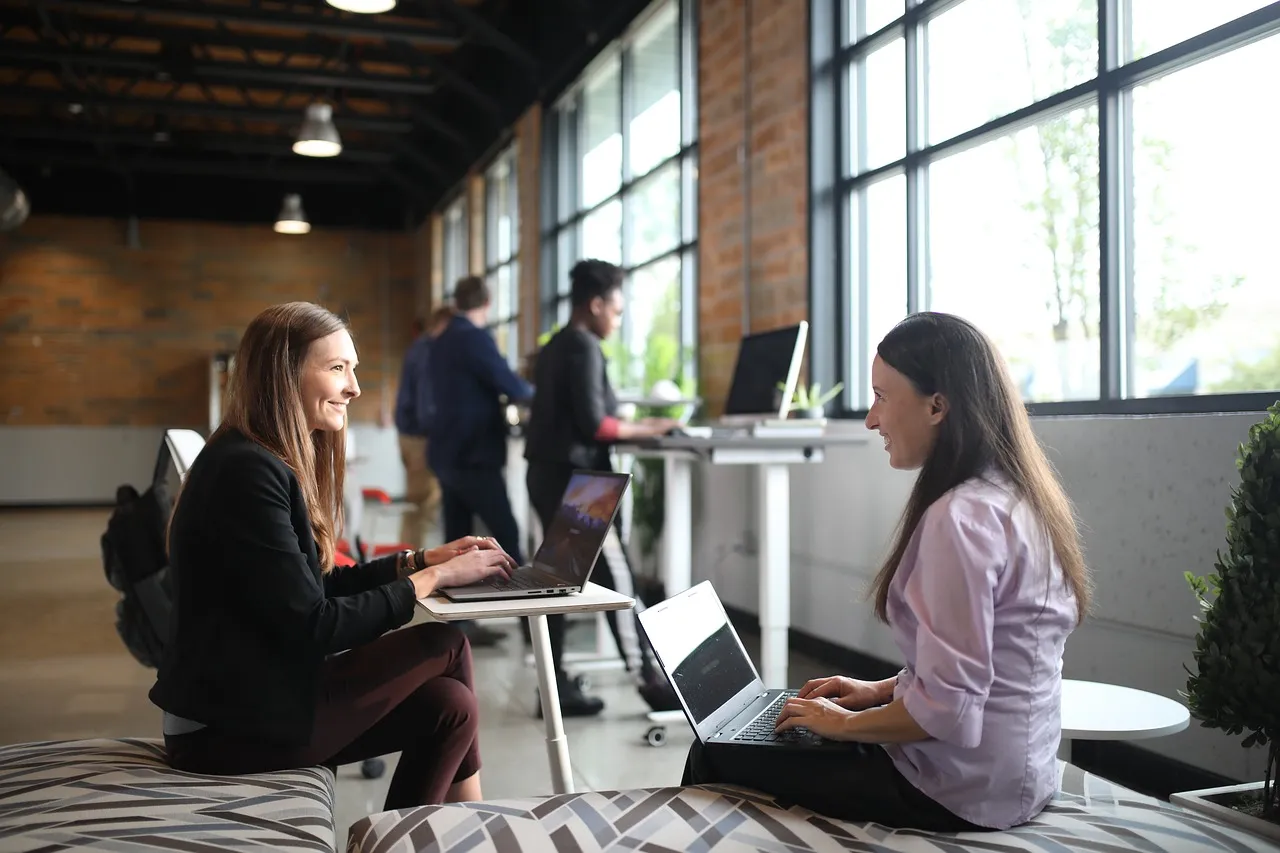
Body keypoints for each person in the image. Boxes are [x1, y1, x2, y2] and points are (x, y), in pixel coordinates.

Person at [681, 312, 1093, 831]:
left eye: (880, 397)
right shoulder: (1016, 498)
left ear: (937, 406)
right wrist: (879, 692)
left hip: (957, 789)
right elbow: (978, 666)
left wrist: (846, 726)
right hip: (1017, 774)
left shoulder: (959, 520)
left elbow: (950, 712)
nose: (872, 420)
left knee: (713, 755)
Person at [149, 301, 517, 811]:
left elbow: (314, 587)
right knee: (446, 644)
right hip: (223, 727)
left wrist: (420, 560)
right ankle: (477, 828)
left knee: (449, 706)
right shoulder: (247, 473)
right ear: (284, 375)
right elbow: (316, 625)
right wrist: (433, 581)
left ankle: (418, 842)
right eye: (337, 368)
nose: (354, 388)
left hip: (246, 699)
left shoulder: (252, 458)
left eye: (354, 369)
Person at [524, 259, 681, 717]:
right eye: (615, 309)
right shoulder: (584, 346)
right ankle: (649, 680)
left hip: (549, 474)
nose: (617, 318)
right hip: (578, 483)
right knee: (620, 578)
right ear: (594, 305)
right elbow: (597, 423)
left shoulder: (555, 346)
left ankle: (552, 689)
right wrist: (652, 426)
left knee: (555, 582)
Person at [427, 275, 535, 648]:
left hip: (445, 453)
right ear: (487, 303)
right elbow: (511, 384)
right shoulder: (473, 337)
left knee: (460, 543)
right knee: (506, 536)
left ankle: (458, 627)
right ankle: (532, 624)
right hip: (474, 455)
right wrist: (542, 393)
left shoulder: (440, 341)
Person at [393, 306, 454, 549]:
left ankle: (408, 556)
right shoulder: (429, 350)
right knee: (423, 503)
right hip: (420, 437)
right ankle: (410, 561)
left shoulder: (417, 348)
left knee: (417, 502)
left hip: (408, 434)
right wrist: (435, 433)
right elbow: (426, 399)